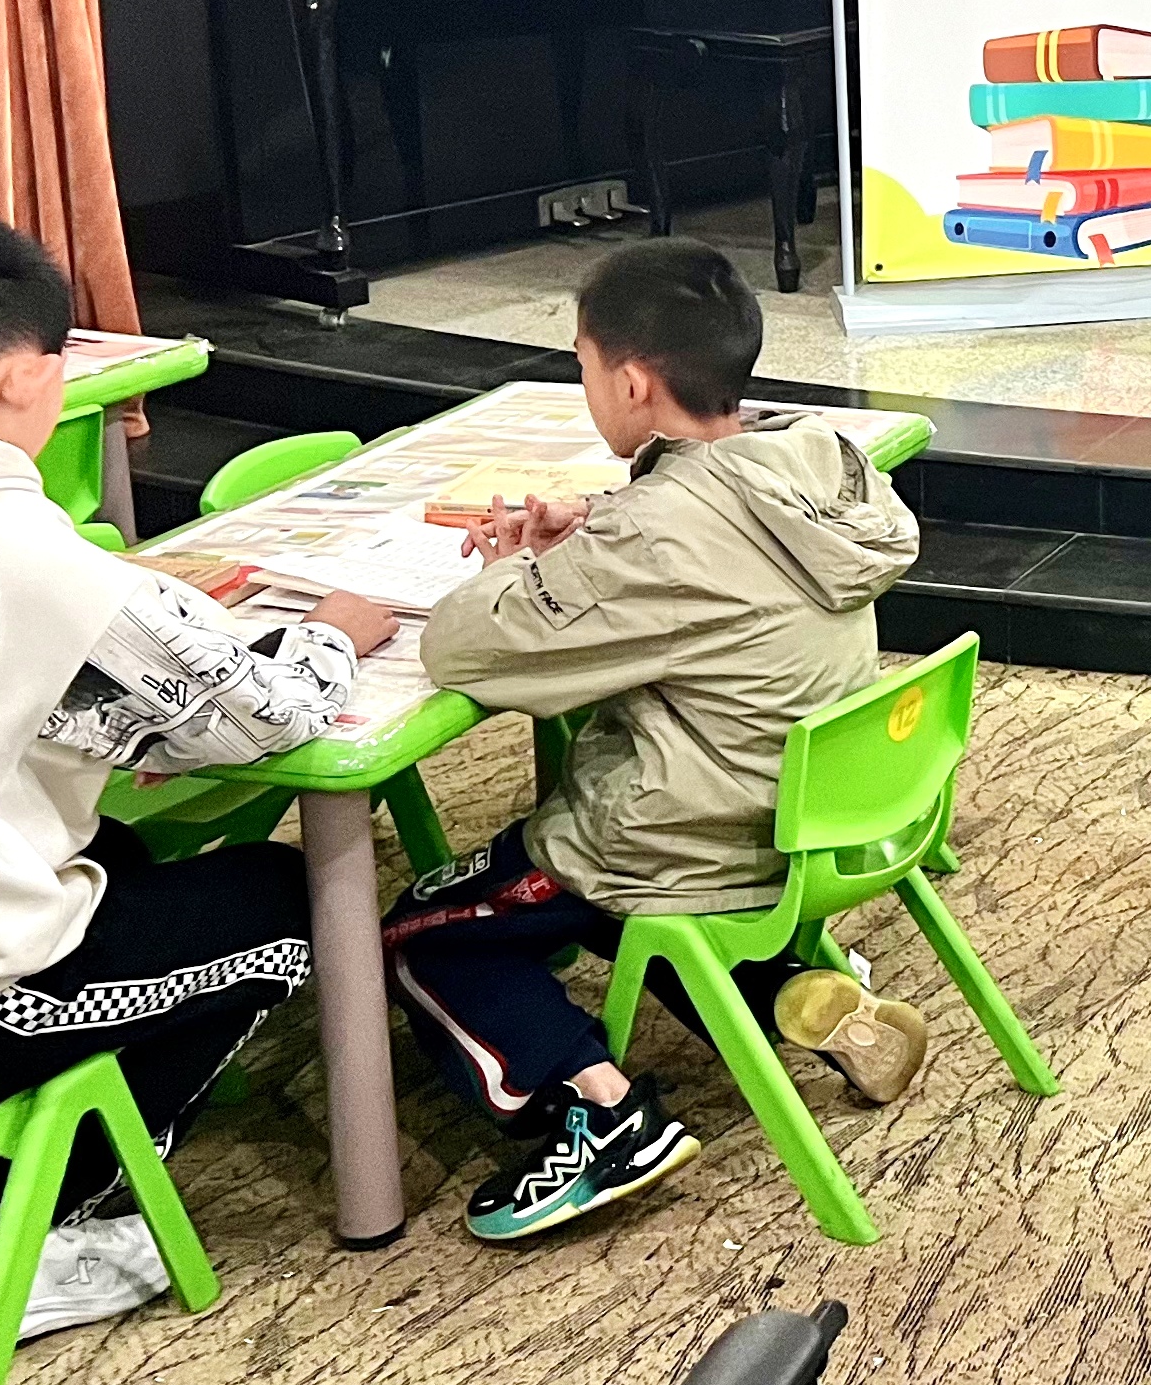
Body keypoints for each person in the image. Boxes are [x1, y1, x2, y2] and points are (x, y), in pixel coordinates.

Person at [0, 213, 384, 1352]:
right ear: (23, 378)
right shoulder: (6, 549)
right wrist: (333, 633)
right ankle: (40, 1231)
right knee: (287, 903)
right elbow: (265, 714)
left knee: (123, 857)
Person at [378, 239, 921, 1243]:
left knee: (419, 931)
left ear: (630, 382)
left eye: (583, 366)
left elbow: (463, 647)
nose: (586, 385)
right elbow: (715, 528)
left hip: (689, 833)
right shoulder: (817, 456)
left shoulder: (656, 535)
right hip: (811, 819)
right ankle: (795, 991)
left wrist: (512, 569)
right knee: (600, 889)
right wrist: (603, 516)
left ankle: (600, 1114)